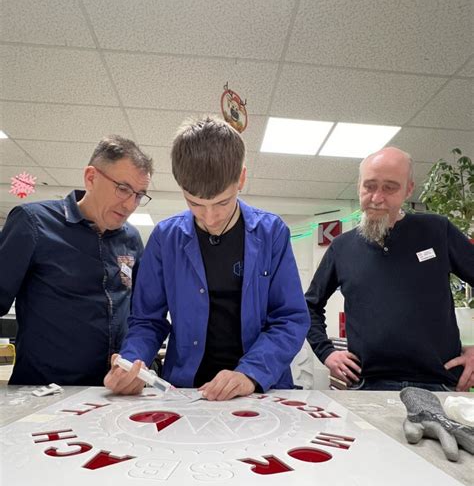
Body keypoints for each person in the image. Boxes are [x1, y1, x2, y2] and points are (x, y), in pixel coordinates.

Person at [104, 117, 309, 400]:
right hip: (186, 389)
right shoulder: (166, 238)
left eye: (222, 202)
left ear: (242, 178)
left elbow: (290, 318)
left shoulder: (272, 233)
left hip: (259, 388)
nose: (210, 217)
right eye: (195, 204)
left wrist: (250, 373)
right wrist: (132, 363)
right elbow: (147, 320)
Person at [305, 146, 474, 392]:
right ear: (359, 186)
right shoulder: (341, 247)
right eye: (370, 186)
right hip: (367, 387)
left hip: (438, 384)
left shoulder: (438, 231)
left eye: (390, 187)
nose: (377, 197)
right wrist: (326, 352)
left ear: (409, 189)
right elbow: (309, 306)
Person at [0, 135, 153, 386]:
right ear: (91, 177)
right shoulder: (34, 223)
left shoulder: (131, 239)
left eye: (139, 195)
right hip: (44, 390)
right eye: (123, 189)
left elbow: (140, 313)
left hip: (109, 391)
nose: (130, 204)